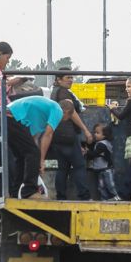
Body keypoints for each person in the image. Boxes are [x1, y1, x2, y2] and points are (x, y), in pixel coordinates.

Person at [3, 96, 74, 199]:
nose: (61, 121)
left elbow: (32, 139)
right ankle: (29, 191)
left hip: (4, 117)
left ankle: (15, 193)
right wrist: (41, 160)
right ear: (66, 113)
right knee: (33, 153)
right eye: (65, 119)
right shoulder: (58, 109)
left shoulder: (42, 112)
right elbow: (48, 135)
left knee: (23, 157)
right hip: (11, 117)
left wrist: (35, 163)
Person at [49, 68, 93, 201]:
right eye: (67, 77)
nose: (71, 80)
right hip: (68, 134)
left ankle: (61, 196)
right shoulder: (63, 93)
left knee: (63, 168)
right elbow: (72, 113)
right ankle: (84, 196)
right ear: (58, 80)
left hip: (57, 135)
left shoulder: (55, 92)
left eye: (72, 77)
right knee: (79, 165)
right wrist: (85, 130)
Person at [85, 123, 120, 201]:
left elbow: (93, 154)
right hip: (100, 170)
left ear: (104, 135)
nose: (95, 134)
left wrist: (86, 152)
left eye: (97, 133)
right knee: (101, 186)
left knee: (110, 184)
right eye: (95, 132)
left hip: (106, 169)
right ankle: (104, 199)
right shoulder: (98, 143)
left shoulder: (102, 145)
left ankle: (116, 196)